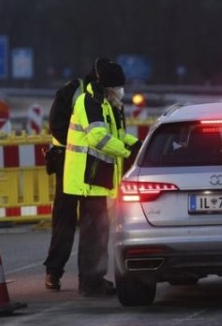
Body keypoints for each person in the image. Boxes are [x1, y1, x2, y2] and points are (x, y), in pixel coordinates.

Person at [63, 59, 141, 296]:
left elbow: (118, 135)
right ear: (108, 86)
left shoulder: (108, 104)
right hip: (88, 178)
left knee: (100, 231)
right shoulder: (90, 102)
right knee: (93, 234)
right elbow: (98, 137)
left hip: (100, 178)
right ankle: (90, 282)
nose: (121, 91)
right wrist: (127, 152)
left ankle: (96, 278)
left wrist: (138, 145)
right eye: (118, 87)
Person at [42, 59, 106, 292]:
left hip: (94, 166)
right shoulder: (72, 91)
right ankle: (54, 272)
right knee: (65, 219)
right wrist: (83, 146)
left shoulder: (105, 98)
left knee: (94, 223)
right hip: (68, 164)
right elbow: (57, 126)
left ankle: (91, 278)